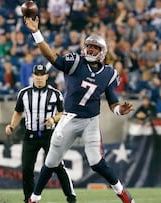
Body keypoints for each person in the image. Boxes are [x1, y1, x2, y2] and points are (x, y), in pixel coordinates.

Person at [24, 16, 135, 203]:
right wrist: (36, 32)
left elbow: (112, 101)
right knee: (50, 162)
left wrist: (118, 111)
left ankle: (121, 192)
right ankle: (34, 198)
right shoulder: (75, 62)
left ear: (103, 52)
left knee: (95, 161)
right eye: (89, 46)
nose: (91, 49)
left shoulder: (109, 73)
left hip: (90, 121)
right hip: (69, 118)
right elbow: (51, 57)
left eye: (96, 47)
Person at [5, 64, 76, 203]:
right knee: (26, 169)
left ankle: (71, 197)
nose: (38, 78)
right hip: (30, 135)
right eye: (36, 75)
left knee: (58, 166)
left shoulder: (55, 93)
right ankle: (28, 199)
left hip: (49, 135)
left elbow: (63, 113)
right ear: (33, 76)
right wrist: (12, 126)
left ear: (46, 76)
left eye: (41, 75)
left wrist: (53, 119)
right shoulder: (24, 93)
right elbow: (18, 111)